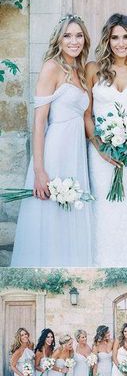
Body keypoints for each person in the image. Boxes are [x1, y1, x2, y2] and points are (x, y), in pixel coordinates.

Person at [11, 15, 93, 267]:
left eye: (79, 35)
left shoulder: (80, 71)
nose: (74, 41)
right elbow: (39, 122)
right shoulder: (51, 67)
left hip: (76, 152)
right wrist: (39, 170)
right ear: (59, 39)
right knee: (50, 211)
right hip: (55, 150)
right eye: (68, 35)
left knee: (71, 211)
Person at [85, 13, 127, 267]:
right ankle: (103, 265)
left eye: (126, 37)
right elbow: (87, 114)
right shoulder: (93, 69)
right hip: (101, 155)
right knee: (104, 210)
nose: (120, 43)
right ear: (107, 39)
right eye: (115, 37)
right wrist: (100, 146)